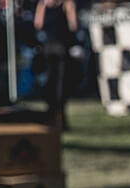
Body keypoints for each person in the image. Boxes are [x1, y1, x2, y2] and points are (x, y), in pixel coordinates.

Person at [35, 0, 78, 130]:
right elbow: (73, 25)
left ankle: (52, 116)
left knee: (51, 83)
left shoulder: (42, 5)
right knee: (61, 86)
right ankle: (59, 118)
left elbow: (38, 24)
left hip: (48, 48)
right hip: (61, 48)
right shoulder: (67, 4)